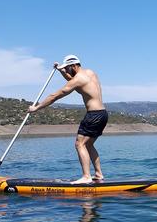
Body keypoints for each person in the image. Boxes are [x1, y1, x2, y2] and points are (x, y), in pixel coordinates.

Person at [28, 55, 108, 184]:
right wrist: (61, 71)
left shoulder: (78, 79)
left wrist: (36, 108)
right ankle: (98, 174)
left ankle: (86, 176)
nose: (67, 71)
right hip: (103, 114)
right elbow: (73, 80)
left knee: (79, 144)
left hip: (93, 115)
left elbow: (55, 95)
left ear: (73, 66)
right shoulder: (90, 73)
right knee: (88, 144)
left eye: (67, 68)